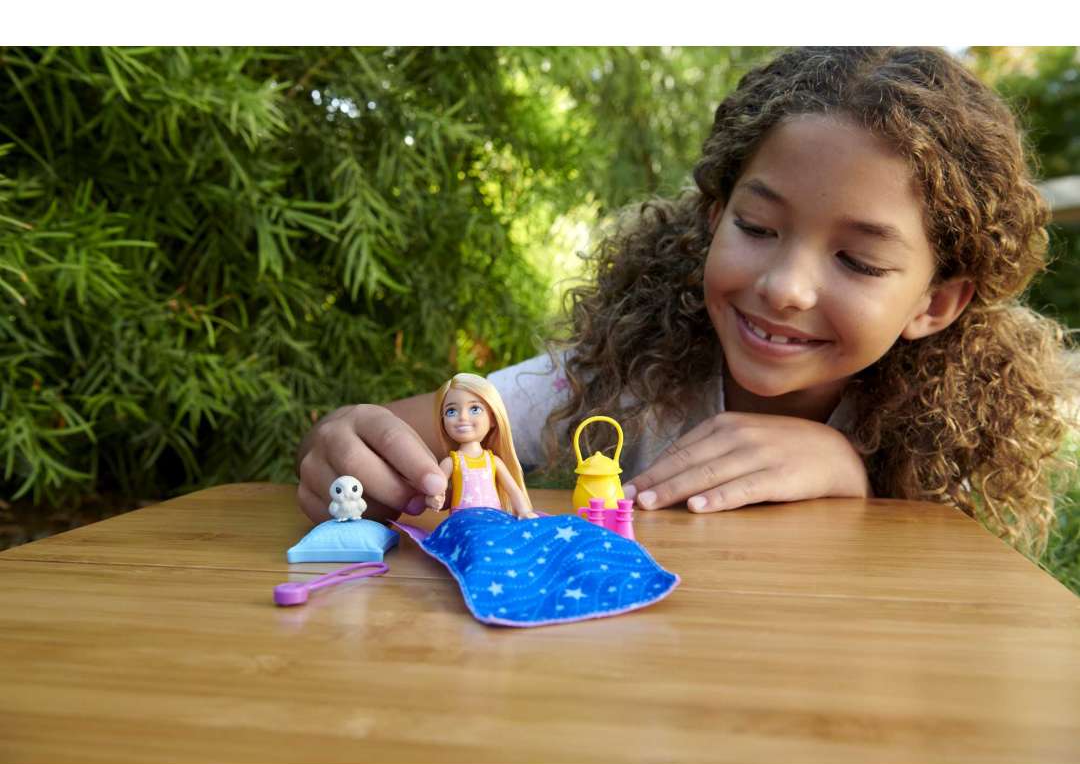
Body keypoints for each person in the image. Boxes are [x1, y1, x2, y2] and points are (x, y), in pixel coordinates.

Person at [296, 47, 1077, 558]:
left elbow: (953, 617)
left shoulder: (949, 444)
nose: (785, 286)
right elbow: (422, 429)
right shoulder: (620, 379)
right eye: (759, 226)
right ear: (714, 218)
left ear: (936, 303)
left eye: (858, 259)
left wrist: (853, 478)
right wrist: (348, 441)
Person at [431, 372, 535, 518]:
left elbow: (514, 491)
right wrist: (433, 497)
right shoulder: (451, 463)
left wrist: (525, 511)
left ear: (493, 418)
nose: (463, 418)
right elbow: (434, 488)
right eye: (451, 411)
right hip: (463, 519)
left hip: (493, 517)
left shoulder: (494, 462)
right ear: (442, 422)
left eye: (475, 409)